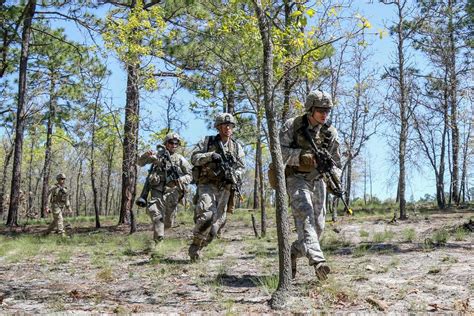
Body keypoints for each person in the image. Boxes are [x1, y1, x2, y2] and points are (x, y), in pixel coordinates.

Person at [279, 90, 342, 281]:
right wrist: (302, 157)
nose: (324, 114)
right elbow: (279, 153)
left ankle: (294, 251)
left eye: (327, 110)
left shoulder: (330, 133)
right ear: (310, 109)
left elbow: (337, 163)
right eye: (320, 110)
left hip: (318, 180)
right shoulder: (293, 126)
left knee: (318, 228)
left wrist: (335, 178)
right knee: (305, 217)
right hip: (296, 179)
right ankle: (319, 263)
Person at [188, 113, 245, 261]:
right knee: (207, 215)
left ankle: (201, 245)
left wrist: (234, 175)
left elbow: (241, 167)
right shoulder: (207, 142)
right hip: (207, 184)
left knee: (215, 227)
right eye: (225, 125)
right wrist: (210, 156)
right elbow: (194, 158)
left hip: (225, 188)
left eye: (230, 125)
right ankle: (195, 245)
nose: (228, 128)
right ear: (218, 127)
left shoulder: (237, 147)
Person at [137, 132, 192, 244]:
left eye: (176, 143)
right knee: (155, 214)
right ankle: (158, 244)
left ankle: (159, 233)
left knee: (167, 223)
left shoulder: (180, 159)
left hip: (172, 193)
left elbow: (190, 175)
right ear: (166, 143)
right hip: (156, 190)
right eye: (171, 142)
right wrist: (145, 155)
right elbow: (140, 162)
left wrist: (181, 180)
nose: (174, 145)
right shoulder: (157, 155)